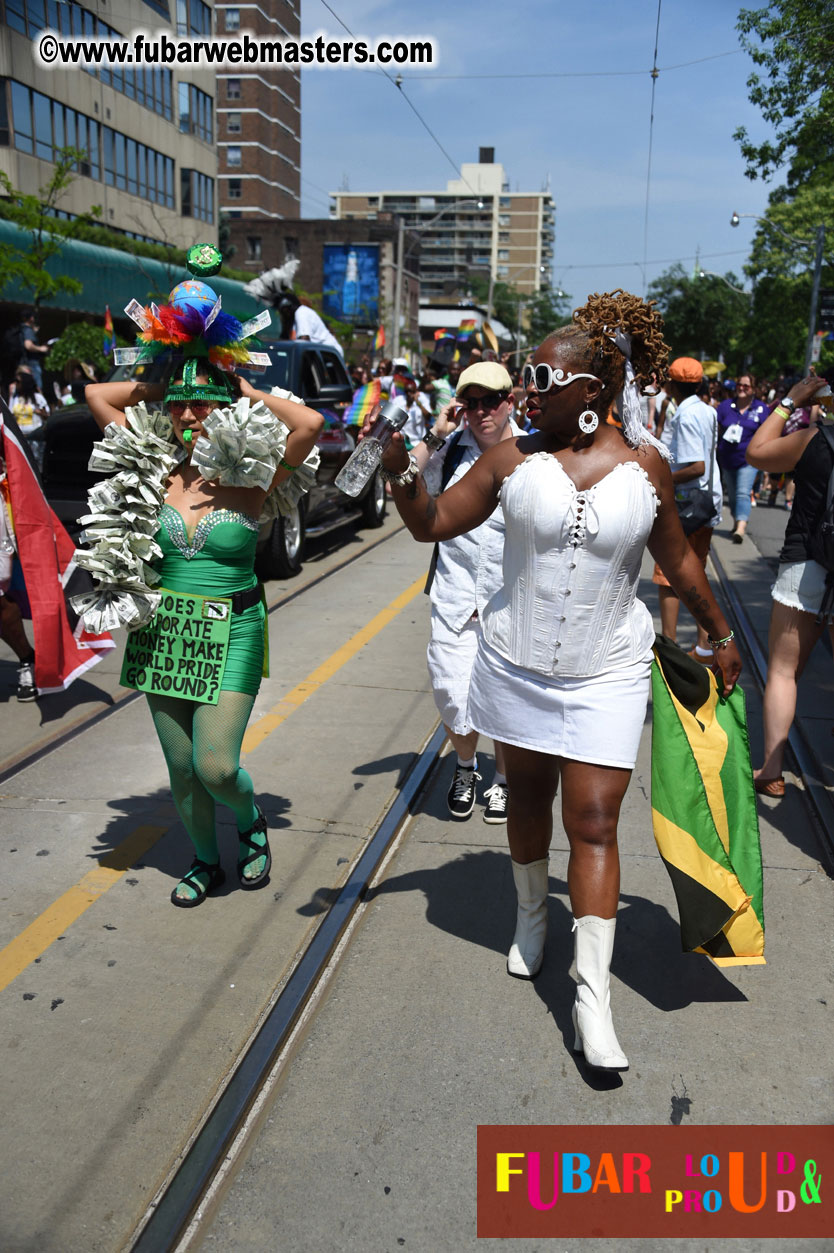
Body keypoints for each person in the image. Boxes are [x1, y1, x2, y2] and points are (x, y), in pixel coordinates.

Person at [378, 291, 741, 1070]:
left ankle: (591, 995)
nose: (527, 391)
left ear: (595, 393)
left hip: (608, 668)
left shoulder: (644, 469)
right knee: (532, 802)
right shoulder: (512, 458)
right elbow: (432, 523)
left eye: (542, 376)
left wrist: (719, 631)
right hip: (516, 663)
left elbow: (677, 559)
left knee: (597, 820)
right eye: (526, 377)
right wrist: (402, 476)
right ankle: (533, 914)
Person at [79, 256, 323, 906]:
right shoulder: (150, 462)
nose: (190, 415)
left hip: (235, 626)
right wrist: (171, 382)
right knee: (182, 772)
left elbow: (310, 426)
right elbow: (97, 397)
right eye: (182, 406)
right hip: (162, 630)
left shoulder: (250, 476)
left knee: (217, 763)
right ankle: (204, 859)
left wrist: (235, 387)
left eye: (202, 405)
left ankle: (248, 821)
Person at [406, 361, 523, 823]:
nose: (481, 412)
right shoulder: (451, 449)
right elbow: (400, 479)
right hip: (456, 595)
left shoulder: (532, 451)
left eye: (490, 401)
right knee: (452, 693)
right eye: (471, 403)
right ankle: (467, 766)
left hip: (510, 598)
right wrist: (437, 433)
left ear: (509, 401)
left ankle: (505, 781)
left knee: (508, 701)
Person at [745, 373, 834, 797]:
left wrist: (789, 402)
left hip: (808, 564)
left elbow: (757, 452)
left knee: (783, 669)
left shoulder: (813, 439)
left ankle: (772, 771)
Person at [652, 357, 722, 663]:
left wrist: (662, 478)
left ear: (672, 384)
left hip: (687, 505)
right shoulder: (706, 410)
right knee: (696, 570)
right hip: (705, 501)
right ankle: (705, 644)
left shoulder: (687, 415)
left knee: (667, 573)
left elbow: (696, 467)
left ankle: (669, 645)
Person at [716, 372, 769, 543]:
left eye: (746, 386)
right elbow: (716, 429)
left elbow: (767, 433)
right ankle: (737, 520)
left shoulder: (761, 409)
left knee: (742, 493)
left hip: (748, 459)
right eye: (739, 384)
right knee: (731, 495)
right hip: (727, 458)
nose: (742, 388)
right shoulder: (725, 406)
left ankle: (741, 527)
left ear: (753, 389)